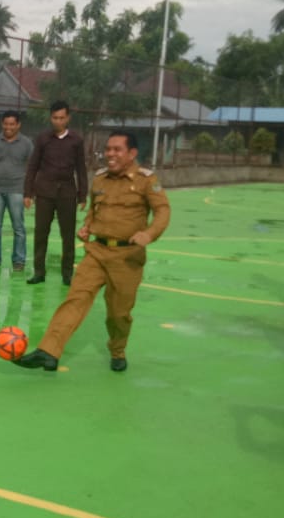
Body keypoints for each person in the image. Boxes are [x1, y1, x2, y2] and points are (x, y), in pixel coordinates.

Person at [16, 130, 169, 372]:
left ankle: (118, 351)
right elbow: (95, 211)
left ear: (132, 153)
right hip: (97, 252)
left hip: (127, 258)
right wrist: (87, 227)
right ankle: (49, 351)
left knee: (118, 314)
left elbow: (163, 212)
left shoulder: (146, 180)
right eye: (108, 149)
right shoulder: (99, 179)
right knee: (75, 300)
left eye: (117, 149)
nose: (110, 154)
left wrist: (148, 234)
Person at [25, 100, 87, 286]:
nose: (58, 121)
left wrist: (83, 195)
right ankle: (39, 272)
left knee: (67, 235)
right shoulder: (43, 139)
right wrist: (28, 193)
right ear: (50, 118)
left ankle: (67, 274)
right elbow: (33, 166)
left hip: (67, 193)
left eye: (62, 118)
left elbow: (81, 169)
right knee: (41, 233)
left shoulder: (76, 140)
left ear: (68, 118)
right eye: (55, 118)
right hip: (44, 192)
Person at [0, 110, 34, 272]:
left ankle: (19, 261)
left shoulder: (27, 143)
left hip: (17, 189)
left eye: (12, 124)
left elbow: (32, 168)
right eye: (6, 124)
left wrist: (29, 193)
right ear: (2, 124)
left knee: (18, 227)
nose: (8, 127)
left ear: (18, 125)